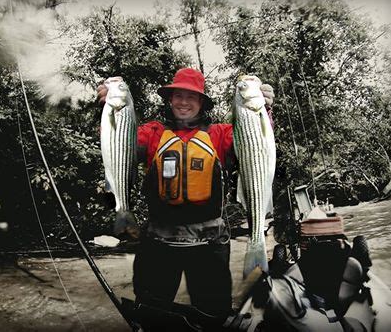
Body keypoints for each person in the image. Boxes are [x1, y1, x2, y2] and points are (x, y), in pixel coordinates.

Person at [96, 68, 274, 319]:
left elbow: (255, 142)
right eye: (177, 96)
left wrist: (264, 111)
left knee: (213, 315)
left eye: (191, 97)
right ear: (169, 100)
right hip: (159, 242)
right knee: (151, 313)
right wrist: (105, 108)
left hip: (209, 244)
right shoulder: (153, 132)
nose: (183, 102)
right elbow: (117, 142)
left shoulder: (220, 133)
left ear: (201, 102)